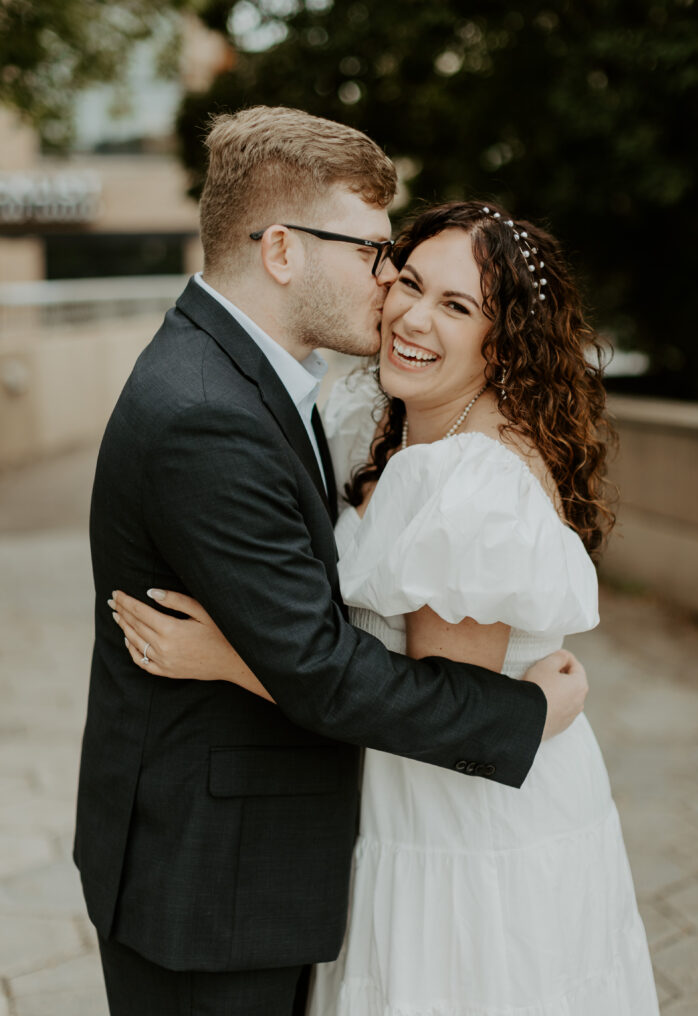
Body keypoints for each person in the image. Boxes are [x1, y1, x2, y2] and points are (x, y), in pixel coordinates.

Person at [75, 107, 588, 1016]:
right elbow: (315, 664)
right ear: (282, 250)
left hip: (309, 850)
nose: (389, 285)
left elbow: (312, 646)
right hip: (210, 881)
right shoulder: (210, 410)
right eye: (375, 253)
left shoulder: (262, 382)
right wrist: (528, 712)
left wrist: (236, 657)